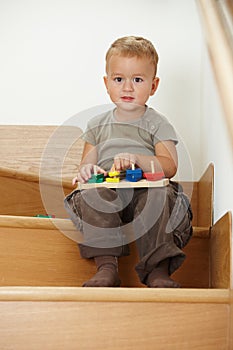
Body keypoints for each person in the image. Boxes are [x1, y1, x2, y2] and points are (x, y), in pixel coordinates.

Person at [64, 36, 192, 288]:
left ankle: (157, 271)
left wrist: (138, 159)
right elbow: (85, 166)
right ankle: (107, 267)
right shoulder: (97, 125)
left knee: (161, 195)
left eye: (138, 80)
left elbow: (169, 165)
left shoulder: (157, 123)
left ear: (153, 86)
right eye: (119, 79)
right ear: (107, 83)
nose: (127, 88)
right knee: (92, 194)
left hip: (145, 192)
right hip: (110, 192)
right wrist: (87, 169)